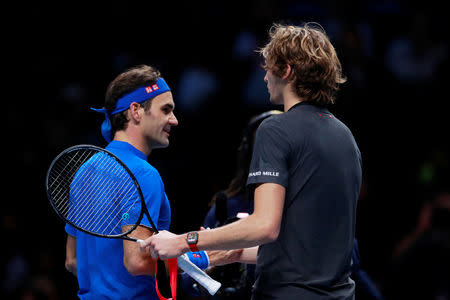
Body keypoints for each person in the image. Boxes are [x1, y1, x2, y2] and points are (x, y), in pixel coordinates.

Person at [141, 22, 362, 300]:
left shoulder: (276, 129)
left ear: (287, 70)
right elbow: (307, 245)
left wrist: (182, 242)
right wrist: (230, 253)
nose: (266, 75)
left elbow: (264, 226)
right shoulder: (346, 137)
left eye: (269, 66)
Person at [64, 64, 179, 299]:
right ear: (136, 111)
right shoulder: (142, 173)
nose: (174, 120)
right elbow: (137, 261)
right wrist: (200, 258)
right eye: (166, 110)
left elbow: (72, 261)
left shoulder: (83, 171)